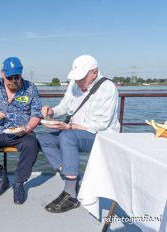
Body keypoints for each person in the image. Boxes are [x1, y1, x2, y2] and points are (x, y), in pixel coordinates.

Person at [37, 55, 120, 213]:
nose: (76, 82)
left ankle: (70, 194)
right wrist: (52, 112)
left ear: (94, 73)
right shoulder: (74, 84)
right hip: (74, 131)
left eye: (80, 78)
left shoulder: (107, 88)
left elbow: (101, 124)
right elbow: (65, 106)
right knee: (43, 139)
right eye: (75, 78)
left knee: (67, 136)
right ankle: (72, 177)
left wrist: (70, 127)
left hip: (101, 136)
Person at [0, 57, 42, 204]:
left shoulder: (30, 88)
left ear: (21, 74)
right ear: (2, 74)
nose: (13, 80)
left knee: (32, 146)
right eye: (9, 77)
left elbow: (36, 114)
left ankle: (19, 183)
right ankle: (1, 177)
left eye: (17, 77)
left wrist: (27, 128)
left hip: (22, 132)